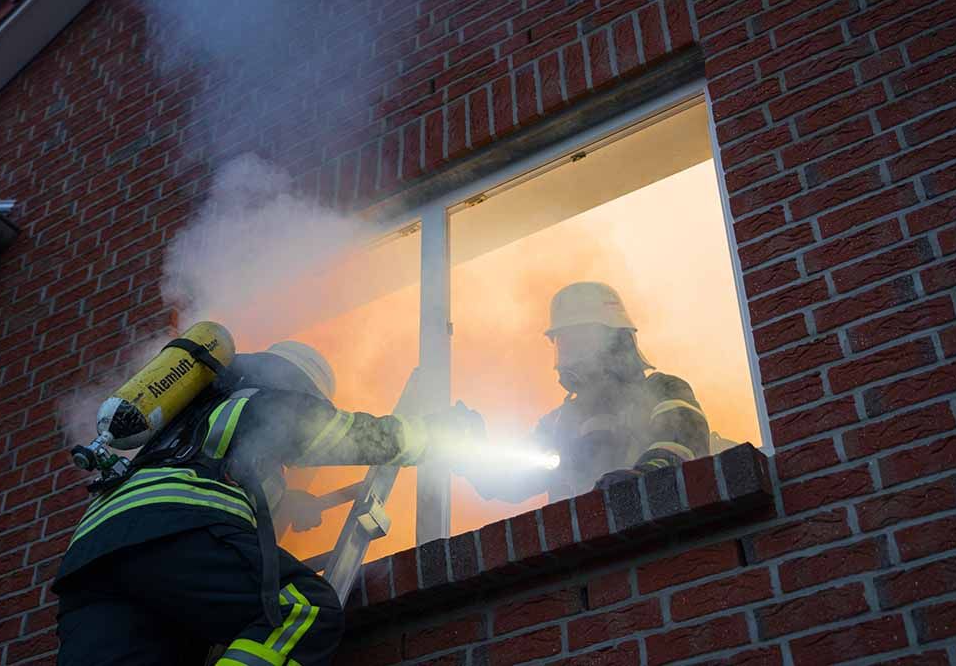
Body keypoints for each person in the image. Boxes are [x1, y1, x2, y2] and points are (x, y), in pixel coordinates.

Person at [53, 341, 457, 666]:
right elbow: (347, 436)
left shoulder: (186, 420)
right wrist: (438, 437)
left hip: (91, 556)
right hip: (173, 528)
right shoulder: (266, 400)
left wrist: (291, 501)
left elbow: (209, 468)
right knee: (301, 609)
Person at [466, 282, 726, 503]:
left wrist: (642, 477)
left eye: (580, 342)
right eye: (563, 344)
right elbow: (510, 482)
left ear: (617, 343)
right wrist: (472, 451)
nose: (569, 357)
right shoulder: (558, 424)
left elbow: (681, 443)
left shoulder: (664, 390)